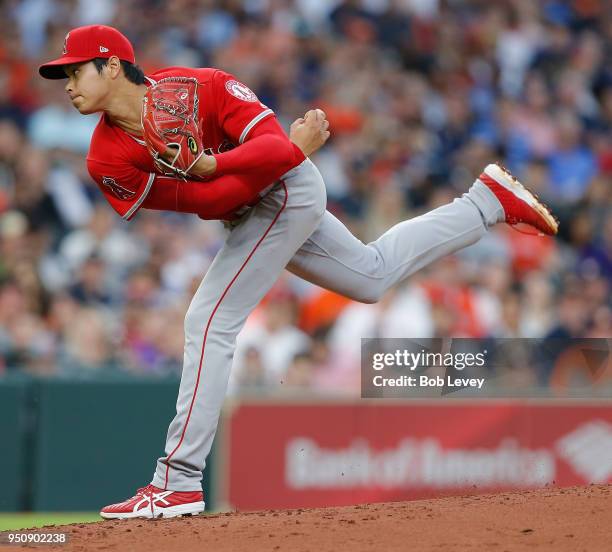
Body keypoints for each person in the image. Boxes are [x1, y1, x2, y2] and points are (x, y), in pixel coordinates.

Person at [39, 25, 558, 519]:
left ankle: (177, 482)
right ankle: (486, 202)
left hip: (289, 189)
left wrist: (236, 162)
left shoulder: (201, 85)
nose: (67, 86)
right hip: (259, 197)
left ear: (111, 66)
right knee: (371, 277)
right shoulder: (106, 158)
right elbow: (206, 202)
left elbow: (265, 147)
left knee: (209, 319)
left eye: (75, 71)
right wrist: (267, 158)